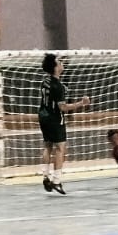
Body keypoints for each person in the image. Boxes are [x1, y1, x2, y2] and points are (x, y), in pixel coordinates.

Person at [38, 53, 90, 194]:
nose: (61, 63)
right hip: (54, 118)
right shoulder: (58, 86)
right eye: (59, 62)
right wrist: (81, 103)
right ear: (55, 68)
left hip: (43, 116)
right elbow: (63, 107)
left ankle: (45, 176)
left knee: (47, 146)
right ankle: (57, 181)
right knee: (60, 148)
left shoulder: (45, 81)